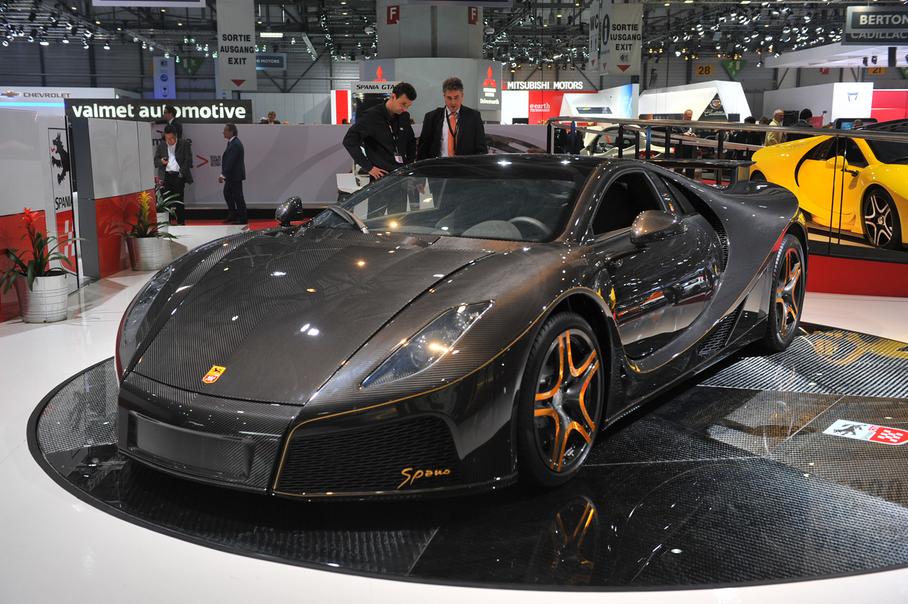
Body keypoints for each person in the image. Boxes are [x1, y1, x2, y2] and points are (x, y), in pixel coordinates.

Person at [342, 81, 417, 182]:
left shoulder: (404, 116)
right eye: (403, 104)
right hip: (381, 179)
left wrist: (409, 166)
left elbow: (411, 141)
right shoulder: (371, 117)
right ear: (393, 97)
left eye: (408, 106)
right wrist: (368, 167)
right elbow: (349, 141)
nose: (405, 109)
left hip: (402, 177)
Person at [416, 76, 487, 160]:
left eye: (456, 97)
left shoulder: (474, 117)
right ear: (444, 96)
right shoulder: (431, 118)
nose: (453, 102)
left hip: (464, 167)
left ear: (462, 96)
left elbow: (481, 150)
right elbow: (422, 151)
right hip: (438, 166)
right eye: (449, 98)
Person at [153, 125, 192, 225]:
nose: (169, 141)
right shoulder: (162, 145)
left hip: (178, 176)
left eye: (171, 138)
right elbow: (156, 161)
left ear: (176, 136)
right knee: (166, 201)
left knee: (179, 201)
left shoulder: (184, 144)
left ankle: (181, 223)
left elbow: (188, 161)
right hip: (166, 176)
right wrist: (161, 161)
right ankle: (167, 223)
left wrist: (181, 173)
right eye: (167, 138)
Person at [219, 123, 247, 225]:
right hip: (232, 176)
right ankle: (233, 215)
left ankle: (242, 218)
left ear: (231, 132)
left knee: (238, 197)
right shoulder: (232, 142)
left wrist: (223, 175)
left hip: (235, 176)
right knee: (227, 194)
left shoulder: (235, 144)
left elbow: (231, 161)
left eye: (225, 130)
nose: (223, 132)